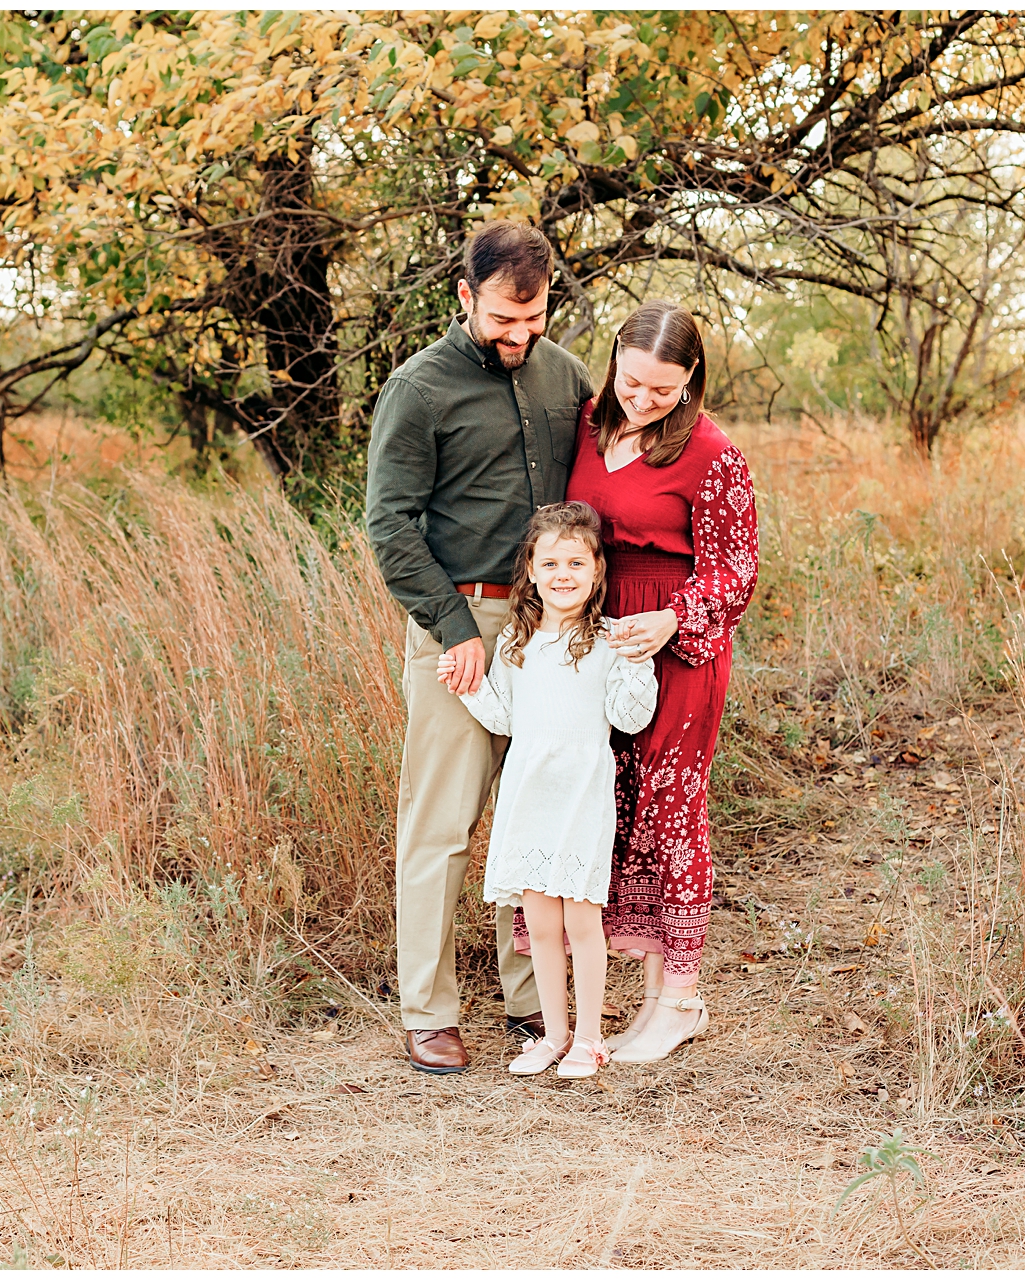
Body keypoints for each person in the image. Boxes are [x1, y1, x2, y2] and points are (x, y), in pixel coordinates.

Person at [365, 222, 598, 1074]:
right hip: (460, 626)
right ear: (465, 297)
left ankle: (534, 1000)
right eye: (504, 318)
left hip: (551, 630)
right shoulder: (417, 389)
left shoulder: (563, 373)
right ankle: (427, 1011)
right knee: (442, 825)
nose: (519, 335)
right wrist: (454, 634)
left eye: (532, 319)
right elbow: (388, 526)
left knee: (538, 813)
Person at [563, 299, 759, 1064]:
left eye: (663, 389)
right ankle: (637, 996)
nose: (643, 399)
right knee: (610, 805)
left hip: (674, 645)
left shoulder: (711, 453)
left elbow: (736, 569)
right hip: (599, 634)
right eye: (633, 382)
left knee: (672, 808)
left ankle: (677, 998)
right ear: (614, 358)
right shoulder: (585, 424)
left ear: (692, 381)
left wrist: (676, 619)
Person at [445, 503, 658, 1078]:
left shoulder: (613, 638)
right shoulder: (518, 639)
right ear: (532, 572)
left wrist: (640, 665)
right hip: (528, 791)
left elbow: (631, 719)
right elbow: (504, 719)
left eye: (576, 563)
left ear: (596, 572)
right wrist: (466, 687)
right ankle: (554, 1035)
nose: (563, 574)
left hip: (582, 791)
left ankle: (590, 1038)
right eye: (550, 563)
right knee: (540, 923)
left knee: (582, 923)